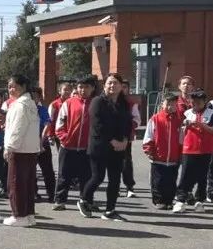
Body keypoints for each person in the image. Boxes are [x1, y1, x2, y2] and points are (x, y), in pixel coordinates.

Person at [78, 74, 132, 221]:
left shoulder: (124, 104)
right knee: (98, 177)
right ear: (104, 86)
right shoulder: (97, 102)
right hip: (100, 147)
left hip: (119, 148)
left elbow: (128, 123)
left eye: (115, 83)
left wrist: (125, 140)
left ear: (121, 86)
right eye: (109, 83)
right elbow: (97, 125)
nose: (112, 86)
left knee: (115, 179)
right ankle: (84, 199)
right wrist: (112, 140)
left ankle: (110, 210)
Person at [2, 75, 41, 227]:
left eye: (13, 86)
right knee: (27, 184)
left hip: (19, 150)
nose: (10, 89)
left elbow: (17, 130)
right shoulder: (31, 103)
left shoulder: (19, 105)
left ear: (23, 86)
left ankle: (19, 215)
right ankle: (29, 214)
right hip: (30, 150)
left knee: (16, 184)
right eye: (9, 86)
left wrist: (9, 148)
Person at [173, 89, 213, 213]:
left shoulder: (211, 113)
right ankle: (181, 200)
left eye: (199, 102)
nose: (196, 105)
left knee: (202, 177)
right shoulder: (187, 113)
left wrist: (202, 125)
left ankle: (200, 201)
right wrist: (186, 126)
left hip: (205, 150)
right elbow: (181, 131)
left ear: (205, 102)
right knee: (185, 176)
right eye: (193, 102)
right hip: (189, 149)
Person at [53, 76, 94, 211]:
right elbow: (60, 123)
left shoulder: (96, 104)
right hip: (67, 146)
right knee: (64, 175)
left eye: (86, 87)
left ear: (92, 88)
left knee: (86, 176)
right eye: (80, 87)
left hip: (86, 148)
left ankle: (86, 200)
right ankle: (60, 200)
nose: (83, 90)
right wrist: (64, 138)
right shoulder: (69, 103)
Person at [142, 94, 182, 209]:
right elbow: (149, 136)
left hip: (173, 159)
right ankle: (159, 200)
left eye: (173, 105)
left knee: (171, 181)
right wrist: (149, 150)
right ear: (162, 105)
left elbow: (181, 139)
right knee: (158, 181)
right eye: (168, 104)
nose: (170, 107)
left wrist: (181, 154)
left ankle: (169, 201)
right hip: (158, 158)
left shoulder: (179, 121)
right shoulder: (155, 119)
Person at [32, 87, 56, 203]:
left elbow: (47, 126)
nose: (33, 99)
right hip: (29, 145)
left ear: (39, 97)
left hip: (43, 144)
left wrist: (41, 143)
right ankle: (34, 192)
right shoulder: (25, 110)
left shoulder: (42, 109)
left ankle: (51, 193)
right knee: (31, 171)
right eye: (31, 97)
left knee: (48, 170)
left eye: (35, 96)